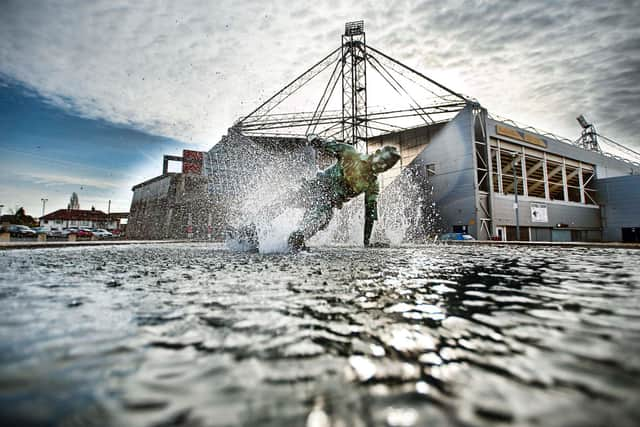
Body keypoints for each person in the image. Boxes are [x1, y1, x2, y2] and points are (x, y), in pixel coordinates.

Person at [281, 134, 400, 250]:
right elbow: (326, 145)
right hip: (316, 186)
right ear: (377, 153)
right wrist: (315, 141)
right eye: (383, 160)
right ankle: (263, 219)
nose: (383, 166)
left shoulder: (372, 185)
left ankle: (298, 238)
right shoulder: (350, 153)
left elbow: (370, 215)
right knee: (289, 199)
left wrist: (366, 243)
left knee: (321, 218)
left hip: (328, 202)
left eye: (387, 166)